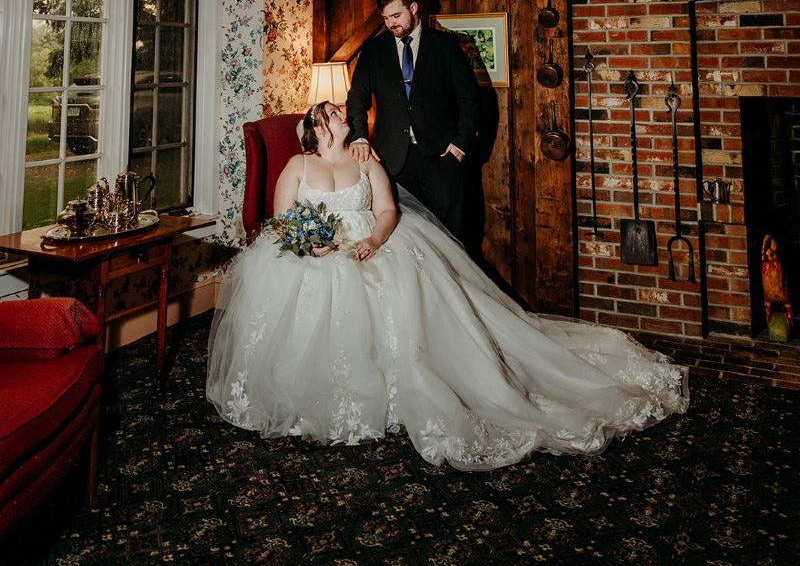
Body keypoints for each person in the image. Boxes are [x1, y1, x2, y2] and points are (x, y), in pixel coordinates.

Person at [206, 101, 689, 471]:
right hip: (316, 250)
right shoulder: (298, 167)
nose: (342, 113)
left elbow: (388, 211)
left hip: (373, 243)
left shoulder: (366, 159)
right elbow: (283, 219)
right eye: (332, 112)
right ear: (316, 129)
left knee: (406, 295)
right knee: (315, 292)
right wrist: (311, 247)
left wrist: (375, 239)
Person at [346, 0, 481, 239]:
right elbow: (356, 98)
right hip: (393, 162)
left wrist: (460, 146)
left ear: (414, 8)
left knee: (448, 239)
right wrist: (359, 135)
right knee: (401, 240)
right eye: (385, 18)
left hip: (442, 160)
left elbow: (470, 100)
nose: (390, 24)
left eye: (396, 15)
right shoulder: (373, 49)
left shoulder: (446, 46)